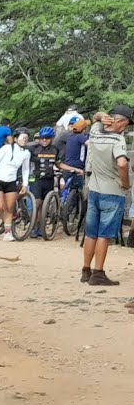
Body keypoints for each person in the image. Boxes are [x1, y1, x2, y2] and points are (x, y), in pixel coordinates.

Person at [80, 106, 130, 287]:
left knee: (91, 233)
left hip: (94, 188)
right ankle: (98, 273)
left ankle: (86, 270)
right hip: (112, 191)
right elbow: (122, 163)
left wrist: (100, 116)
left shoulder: (95, 133)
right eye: (126, 123)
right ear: (118, 121)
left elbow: (95, 120)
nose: (126, 127)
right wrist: (125, 183)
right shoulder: (117, 140)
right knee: (104, 234)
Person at [0, 130, 31, 241]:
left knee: (9, 208)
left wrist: (25, 184)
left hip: (11, 181)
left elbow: (25, 169)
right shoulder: (6, 149)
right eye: (21, 137)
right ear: (15, 139)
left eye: (26, 138)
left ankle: (8, 233)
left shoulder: (26, 153)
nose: (24, 139)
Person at [27, 127, 61, 238]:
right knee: (37, 203)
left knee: (44, 206)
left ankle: (40, 227)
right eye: (42, 138)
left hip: (49, 180)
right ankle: (32, 227)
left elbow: (58, 163)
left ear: (51, 139)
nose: (44, 140)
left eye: (47, 138)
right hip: (36, 179)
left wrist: (73, 169)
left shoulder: (55, 149)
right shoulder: (33, 149)